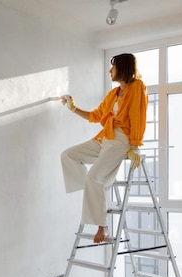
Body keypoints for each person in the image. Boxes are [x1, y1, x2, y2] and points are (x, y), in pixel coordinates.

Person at [60, 53, 147, 244]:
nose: (110, 71)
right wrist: (73, 108)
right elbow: (95, 116)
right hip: (105, 137)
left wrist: (135, 146)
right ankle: (92, 191)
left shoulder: (137, 88)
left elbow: (137, 118)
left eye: (113, 67)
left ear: (122, 68)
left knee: (94, 178)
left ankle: (103, 226)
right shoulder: (112, 94)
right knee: (68, 155)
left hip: (120, 140)